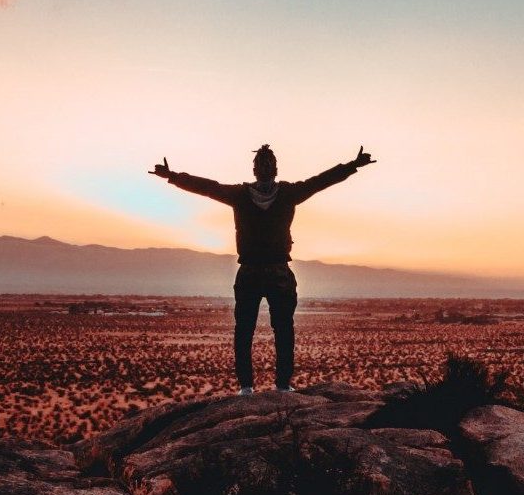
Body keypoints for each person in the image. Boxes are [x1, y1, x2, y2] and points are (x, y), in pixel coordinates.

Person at [151, 144, 375, 394]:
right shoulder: (288, 193)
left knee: (245, 330)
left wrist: (172, 177)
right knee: (282, 329)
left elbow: (208, 187)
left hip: (250, 272)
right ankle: (282, 386)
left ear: (254, 169)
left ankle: (247, 387)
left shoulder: (241, 195)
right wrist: (353, 166)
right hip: (278, 272)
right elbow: (320, 181)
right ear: (274, 169)